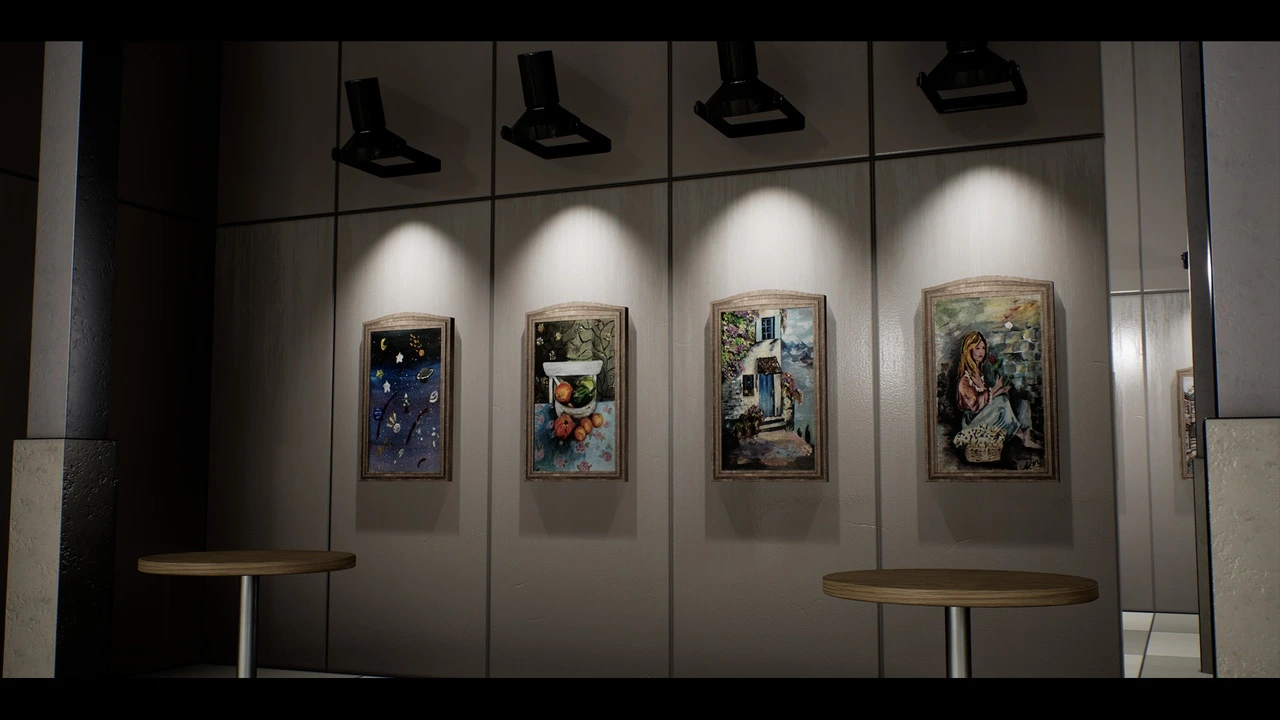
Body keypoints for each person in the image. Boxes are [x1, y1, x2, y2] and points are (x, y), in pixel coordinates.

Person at [954, 330, 1042, 449]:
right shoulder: (965, 380)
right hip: (972, 423)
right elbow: (975, 405)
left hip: (983, 415)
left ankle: (1028, 432)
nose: (981, 352)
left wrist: (1000, 390)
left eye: (983, 348)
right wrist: (996, 388)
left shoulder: (978, 373)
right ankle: (1022, 436)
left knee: (1022, 402)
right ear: (969, 350)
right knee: (1001, 402)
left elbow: (986, 400)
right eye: (977, 348)